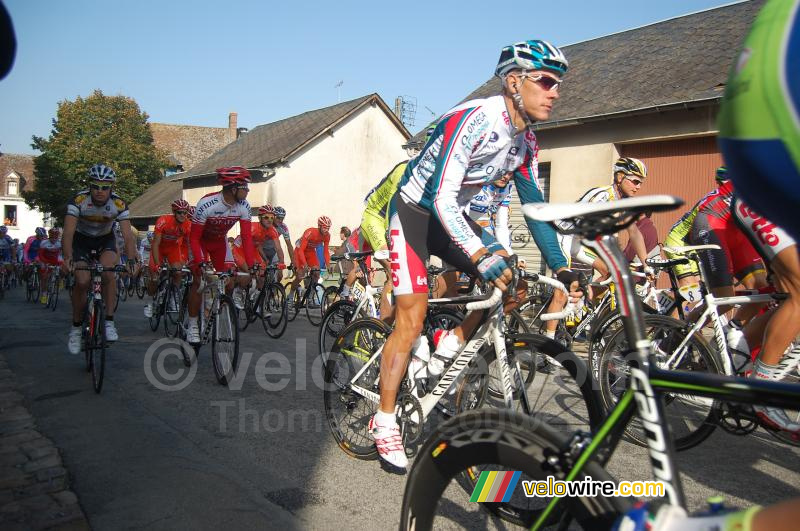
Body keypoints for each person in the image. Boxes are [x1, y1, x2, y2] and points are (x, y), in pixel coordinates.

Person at [370, 39, 581, 469]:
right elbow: (442, 196)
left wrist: (562, 266)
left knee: (512, 282)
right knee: (411, 320)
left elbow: (534, 210)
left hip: (452, 219)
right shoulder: (475, 119)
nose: (555, 91)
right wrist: (482, 253)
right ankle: (384, 419)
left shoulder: (525, 143)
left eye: (558, 83)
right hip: (415, 213)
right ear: (514, 82)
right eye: (545, 81)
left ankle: (451, 344)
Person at [62, 164, 139, 354]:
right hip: (81, 241)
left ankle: (109, 321)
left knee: (108, 272)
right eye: (95, 186)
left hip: (105, 241)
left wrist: (131, 260)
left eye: (105, 187)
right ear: (90, 186)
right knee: (82, 280)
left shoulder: (119, 204)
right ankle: (76, 328)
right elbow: (68, 233)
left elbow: (128, 236)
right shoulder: (79, 200)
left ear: (111, 187)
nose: (99, 191)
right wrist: (67, 258)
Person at [185, 166, 255, 343]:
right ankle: (193, 324)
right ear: (233, 188)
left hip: (219, 243)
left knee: (230, 279)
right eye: (245, 187)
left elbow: (247, 238)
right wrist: (200, 262)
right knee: (199, 280)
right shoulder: (207, 204)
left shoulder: (244, 206)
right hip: (199, 242)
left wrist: (252, 264)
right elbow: (194, 238)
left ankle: (214, 303)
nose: (247, 190)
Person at [143, 199, 191, 318]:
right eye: (180, 212)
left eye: (185, 213)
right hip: (158, 249)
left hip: (172, 250)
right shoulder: (163, 221)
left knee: (178, 272)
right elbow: (155, 244)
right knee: (154, 275)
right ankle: (149, 301)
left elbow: (186, 245)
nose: (183, 215)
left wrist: (184, 260)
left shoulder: (188, 225)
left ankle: (173, 297)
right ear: (174, 212)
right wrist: (158, 264)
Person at [289, 216, 331, 299]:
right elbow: (301, 250)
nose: (326, 230)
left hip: (311, 252)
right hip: (300, 251)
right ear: (319, 226)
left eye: (328, 228)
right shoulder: (310, 232)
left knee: (316, 273)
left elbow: (325, 251)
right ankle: (290, 296)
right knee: (300, 275)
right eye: (324, 227)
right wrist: (305, 265)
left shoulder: (327, 236)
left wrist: (328, 265)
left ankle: (310, 296)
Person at [37, 227, 62, 304]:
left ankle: (60, 280)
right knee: (44, 277)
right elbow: (40, 255)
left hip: (55, 260)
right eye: (52, 237)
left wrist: (60, 263)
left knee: (63, 268)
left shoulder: (60, 243)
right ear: (49, 236)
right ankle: (44, 294)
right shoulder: (44, 243)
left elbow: (61, 255)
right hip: (45, 259)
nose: (54, 239)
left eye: (55, 237)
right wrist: (44, 262)